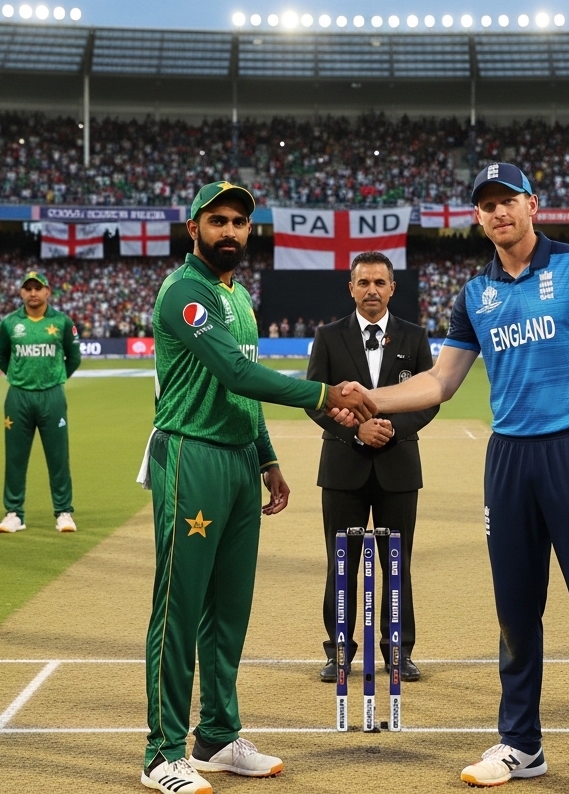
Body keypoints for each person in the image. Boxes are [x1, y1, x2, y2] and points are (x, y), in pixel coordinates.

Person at [333, 163, 569, 794]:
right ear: (478, 218)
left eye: (508, 201)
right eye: (487, 206)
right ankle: (521, 744)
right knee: (515, 614)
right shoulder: (476, 294)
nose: (499, 213)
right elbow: (440, 382)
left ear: (532, 204)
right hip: (509, 461)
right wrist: (371, 397)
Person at [139, 181, 373, 794]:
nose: (231, 232)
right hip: (191, 455)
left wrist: (266, 456)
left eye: (240, 222)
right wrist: (327, 394)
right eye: (217, 221)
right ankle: (161, 751)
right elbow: (237, 371)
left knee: (229, 609)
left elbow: (241, 391)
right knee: (179, 606)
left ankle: (215, 736)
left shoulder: (238, 295)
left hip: (239, 462)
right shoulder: (185, 292)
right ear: (193, 229)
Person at [305, 250, 437, 685]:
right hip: (344, 466)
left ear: (392, 288)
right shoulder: (327, 337)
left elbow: (430, 397)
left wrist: (391, 431)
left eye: (380, 283)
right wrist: (356, 433)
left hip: (399, 467)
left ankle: (398, 651)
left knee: (397, 565)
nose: (372, 291)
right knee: (341, 564)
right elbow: (315, 399)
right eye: (363, 283)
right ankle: (338, 652)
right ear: (351, 288)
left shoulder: (415, 337)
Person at [0, 271, 82, 534]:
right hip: (18, 396)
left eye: (38, 288)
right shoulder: (10, 323)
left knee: (58, 456)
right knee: (15, 457)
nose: (33, 293)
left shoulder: (62, 322)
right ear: (21, 292)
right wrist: (19, 377)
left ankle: (64, 512)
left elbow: (73, 358)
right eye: (28, 288)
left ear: (47, 292)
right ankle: (14, 513)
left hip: (52, 396)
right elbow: (2, 357)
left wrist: (55, 379)